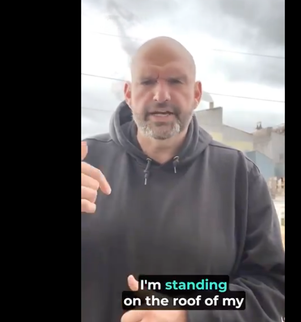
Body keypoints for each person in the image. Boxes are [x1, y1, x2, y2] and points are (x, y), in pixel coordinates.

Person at [81, 36, 285, 322]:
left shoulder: (239, 175)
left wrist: (188, 314)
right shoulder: (87, 162)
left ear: (196, 93)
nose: (160, 94)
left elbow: (272, 290)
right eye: (147, 81)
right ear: (128, 93)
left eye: (176, 81)